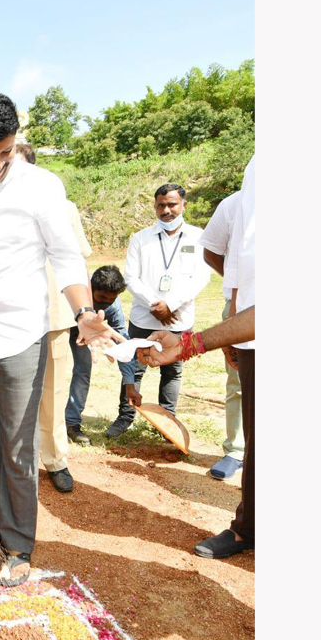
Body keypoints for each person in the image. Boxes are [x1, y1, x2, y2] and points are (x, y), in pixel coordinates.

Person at [0, 91, 119, 587]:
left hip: (18, 338)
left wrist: (84, 312)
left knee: (18, 446)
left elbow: (67, 257)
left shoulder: (41, 187)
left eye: (5, 154)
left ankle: (18, 543)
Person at [143, 156, 254, 559]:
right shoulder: (244, 192)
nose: (167, 211)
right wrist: (234, 314)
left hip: (234, 321)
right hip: (245, 325)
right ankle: (248, 526)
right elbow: (232, 269)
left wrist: (189, 340)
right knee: (249, 415)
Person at [17, 144, 94, 493]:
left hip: (54, 316)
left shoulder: (64, 207)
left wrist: (84, 314)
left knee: (54, 391)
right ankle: (19, 462)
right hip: (10, 318)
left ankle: (55, 459)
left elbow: (78, 262)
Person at [107, 183, 211, 438]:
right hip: (145, 315)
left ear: (184, 205)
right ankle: (125, 416)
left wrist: (171, 305)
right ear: (155, 207)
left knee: (172, 370)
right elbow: (131, 277)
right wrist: (156, 305)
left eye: (172, 204)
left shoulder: (198, 238)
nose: (166, 210)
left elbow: (201, 277)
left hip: (179, 317)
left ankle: (167, 421)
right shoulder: (141, 238)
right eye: (161, 205)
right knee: (134, 365)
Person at [198, 190, 246, 480]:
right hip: (240, 305)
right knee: (239, 380)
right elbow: (211, 251)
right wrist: (238, 282)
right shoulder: (233, 204)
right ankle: (237, 450)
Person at [65, 266, 135, 444]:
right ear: (90, 288)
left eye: (111, 299)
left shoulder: (113, 307)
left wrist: (129, 381)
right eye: (101, 298)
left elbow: (122, 341)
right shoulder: (70, 292)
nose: (106, 303)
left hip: (88, 335)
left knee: (83, 370)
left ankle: (71, 424)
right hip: (61, 325)